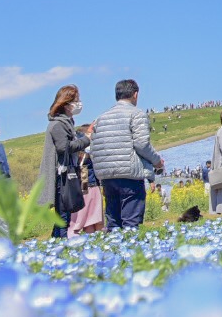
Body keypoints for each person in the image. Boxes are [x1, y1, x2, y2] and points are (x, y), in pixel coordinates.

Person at [89, 79, 164, 231]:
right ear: (135, 94)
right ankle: (130, 252)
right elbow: (142, 144)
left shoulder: (101, 117)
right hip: (130, 174)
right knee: (131, 222)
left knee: (113, 221)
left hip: (107, 176)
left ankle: (114, 252)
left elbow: (93, 147)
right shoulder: (136, 114)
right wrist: (157, 162)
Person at [40, 85, 90, 239]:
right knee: (63, 217)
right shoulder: (58, 124)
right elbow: (64, 148)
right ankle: (60, 247)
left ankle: (56, 246)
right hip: (61, 177)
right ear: (66, 104)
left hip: (65, 174)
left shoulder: (65, 122)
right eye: (76, 100)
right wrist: (86, 140)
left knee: (64, 217)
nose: (79, 103)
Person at [69, 128, 105, 236]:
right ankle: (100, 240)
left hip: (80, 189)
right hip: (91, 187)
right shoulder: (88, 155)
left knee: (87, 222)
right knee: (97, 220)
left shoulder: (75, 157)